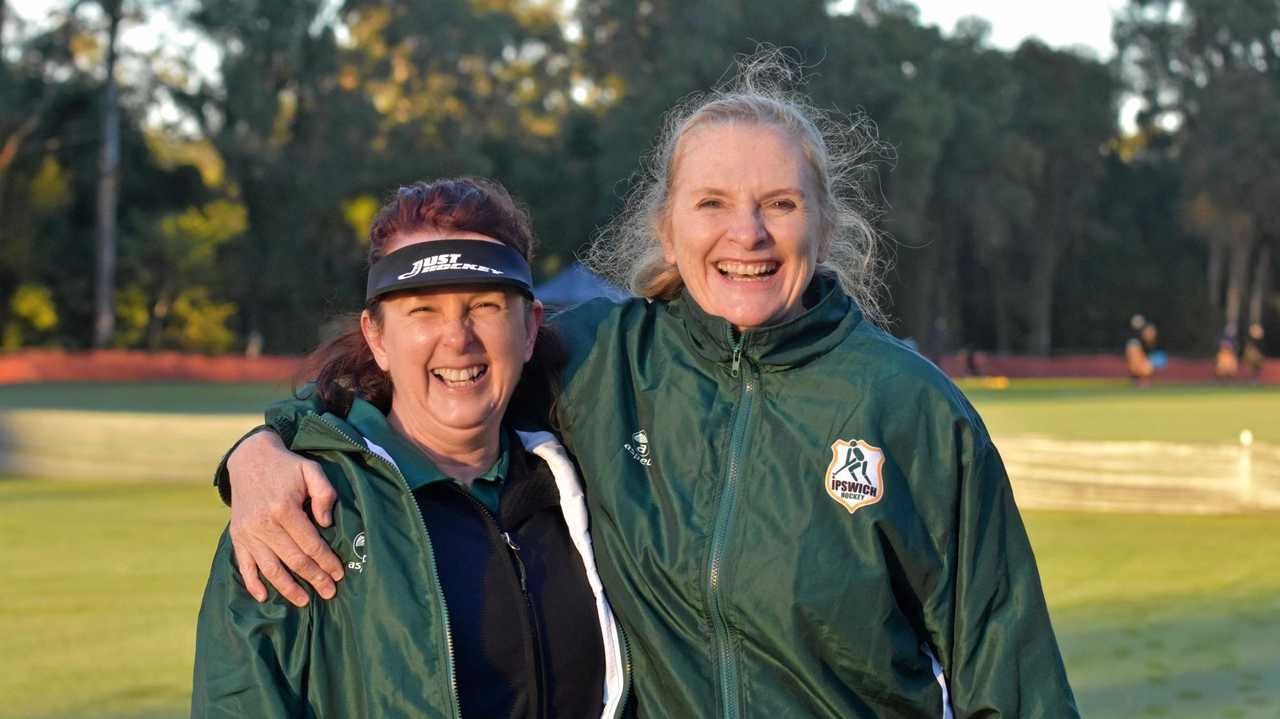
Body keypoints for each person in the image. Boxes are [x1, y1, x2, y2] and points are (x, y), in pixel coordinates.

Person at [218, 51, 1078, 717]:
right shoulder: (601, 359)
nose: (746, 233)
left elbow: (1012, 672)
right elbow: (420, 377)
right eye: (711, 203)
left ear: (826, 219)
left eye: (778, 202)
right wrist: (262, 449)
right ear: (667, 226)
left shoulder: (912, 407)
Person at [191, 179, 628, 718]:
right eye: (423, 311)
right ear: (377, 337)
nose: (458, 338)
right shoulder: (299, 513)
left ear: (530, 328)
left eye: (485, 306)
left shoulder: (588, 486)